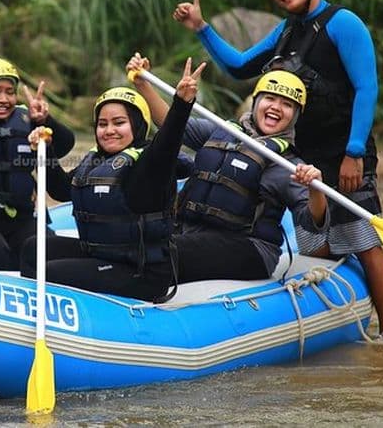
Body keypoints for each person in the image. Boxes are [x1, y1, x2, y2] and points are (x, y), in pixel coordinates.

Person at [172, 0, 383, 339]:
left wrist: (355, 152)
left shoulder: (343, 23)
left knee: (364, 241)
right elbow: (241, 66)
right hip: (299, 157)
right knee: (314, 241)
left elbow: (367, 87)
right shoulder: (287, 30)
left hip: (345, 153)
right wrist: (202, 28)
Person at [20, 58, 206, 301]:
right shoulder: (97, 161)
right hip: (101, 255)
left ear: (138, 125)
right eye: (102, 124)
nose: (109, 131)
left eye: (119, 123)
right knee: (33, 247)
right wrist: (43, 151)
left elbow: (168, 141)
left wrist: (182, 104)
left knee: (50, 273)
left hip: (142, 272)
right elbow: (61, 190)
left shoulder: (152, 162)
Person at [130, 55, 328, 282]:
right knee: (136, 239)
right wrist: (142, 84)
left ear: (295, 116)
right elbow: (171, 124)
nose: (276, 107)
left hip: (250, 248)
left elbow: (313, 222)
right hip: (192, 232)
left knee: (162, 251)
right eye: (270, 98)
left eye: (287, 104)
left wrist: (315, 189)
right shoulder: (222, 131)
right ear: (256, 102)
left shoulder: (288, 164)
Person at [0, 58, 76, 270]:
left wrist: (44, 121)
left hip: (23, 216)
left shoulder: (28, 118)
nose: (4, 99)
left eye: (10, 92)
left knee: (47, 248)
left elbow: (66, 143)